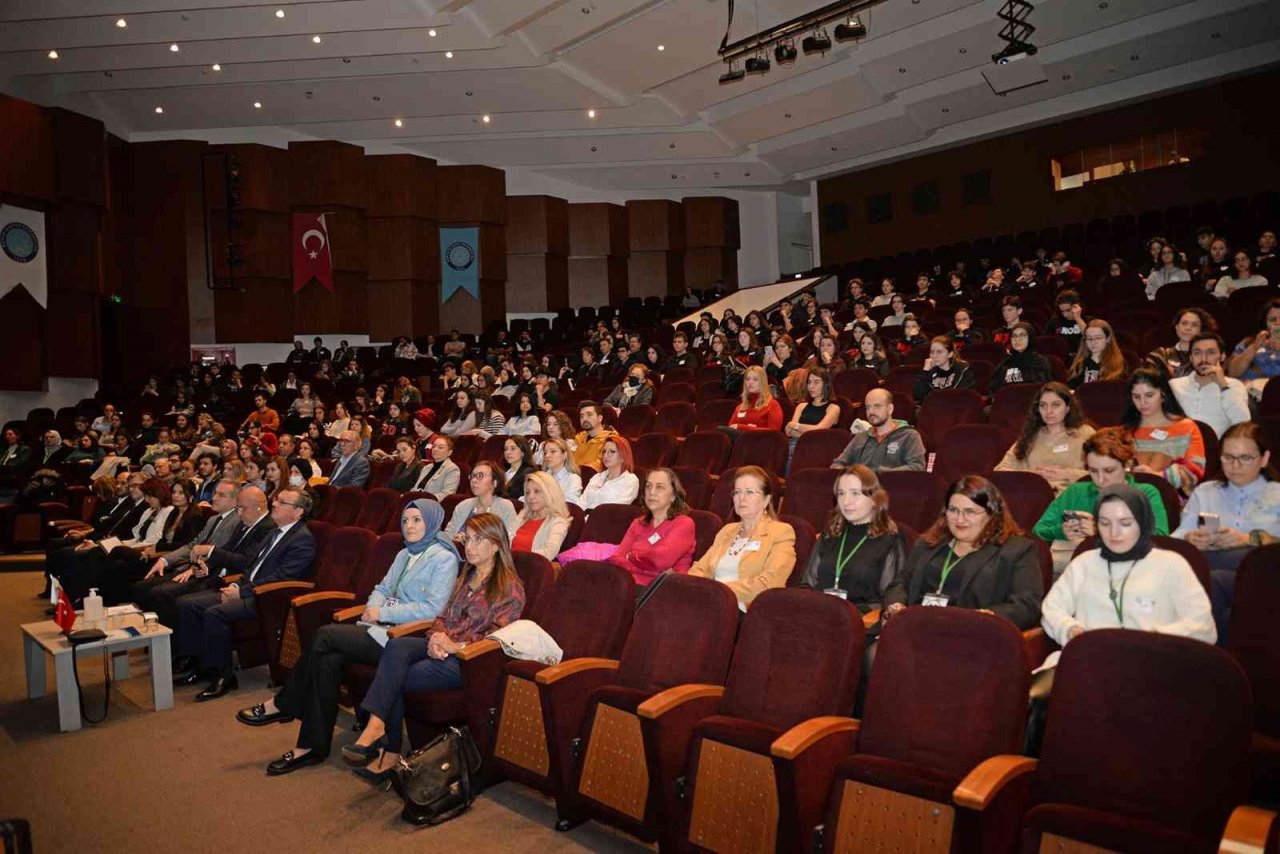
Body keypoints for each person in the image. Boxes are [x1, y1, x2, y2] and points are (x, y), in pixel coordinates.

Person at [239, 499, 460, 775]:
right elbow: (382, 587)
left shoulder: (444, 558)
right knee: (326, 660)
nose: (409, 526)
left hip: (402, 638)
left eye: (417, 520)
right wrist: (373, 608)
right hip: (378, 628)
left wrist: (382, 611)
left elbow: (433, 609)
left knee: (324, 636)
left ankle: (285, 703)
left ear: (432, 522)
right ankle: (311, 746)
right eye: (405, 521)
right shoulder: (404, 554)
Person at [339, 513, 524, 780]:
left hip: (469, 662)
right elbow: (441, 616)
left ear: (496, 545)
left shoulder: (510, 588)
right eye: (467, 539)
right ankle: (378, 728)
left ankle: (387, 749)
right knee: (396, 648)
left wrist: (454, 645)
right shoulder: (466, 575)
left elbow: (499, 640)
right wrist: (437, 638)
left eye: (478, 540)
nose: (469, 547)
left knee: (396, 675)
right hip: (441, 646)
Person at [174, 488, 317, 701]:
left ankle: (223, 676)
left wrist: (241, 591)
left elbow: (282, 579)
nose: (274, 504)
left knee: (215, 613)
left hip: (269, 598)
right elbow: (252, 566)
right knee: (187, 604)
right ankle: (199, 665)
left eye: (281, 502)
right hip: (248, 588)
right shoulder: (274, 532)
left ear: (298, 512)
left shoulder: (302, 539)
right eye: (275, 500)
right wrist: (237, 586)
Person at [1041, 485, 1215, 654]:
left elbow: (1204, 627)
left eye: (1125, 523)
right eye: (1104, 523)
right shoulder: (1083, 563)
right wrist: (1069, 628)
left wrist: (1155, 638)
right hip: (1091, 661)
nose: (1113, 533)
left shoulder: (1171, 564)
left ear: (1143, 522)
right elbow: (1051, 609)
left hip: (1153, 662)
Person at [882, 476, 1043, 629]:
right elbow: (900, 583)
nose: (959, 519)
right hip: (915, 626)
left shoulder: (1017, 550)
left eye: (970, 512)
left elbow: (1026, 604)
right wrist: (895, 606)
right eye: (953, 510)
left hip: (970, 635)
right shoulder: (927, 544)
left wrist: (987, 617)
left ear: (992, 514)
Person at [1172, 422, 1280, 637]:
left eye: (1245, 458)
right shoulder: (1206, 492)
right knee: (1204, 573)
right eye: (1228, 457)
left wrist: (1250, 538)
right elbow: (1175, 539)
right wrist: (1190, 538)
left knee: (1215, 578)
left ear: (1265, 458)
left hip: (1265, 573)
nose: (1235, 465)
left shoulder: (1277, 494)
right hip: (1212, 565)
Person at [1033, 427, 1170, 574]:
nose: (1100, 479)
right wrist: (1061, 531)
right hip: (1073, 570)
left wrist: (1101, 530)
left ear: (1127, 465)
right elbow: (1038, 531)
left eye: (1109, 471)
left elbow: (1159, 537)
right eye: (1093, 471)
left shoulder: (1145, 492)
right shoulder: (1075, 491)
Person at [798, 465, 906, 613]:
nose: (846, 501)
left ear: (874, 498)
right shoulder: (830, 534)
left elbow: (892, 592)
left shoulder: (889, 540)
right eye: (841, 494)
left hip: (859, 622)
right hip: (819, 616)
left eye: (855, 493)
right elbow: (807, 584)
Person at [689, 466, 796, 609]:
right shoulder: (727, 531)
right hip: (711, 603)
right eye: (737, 492)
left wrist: (719, 592)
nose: (741, 498)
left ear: (766, 499)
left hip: (746, 610)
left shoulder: (781, 532)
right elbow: (701, 569)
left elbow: (769, 583)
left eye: (750, 492)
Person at [53, 477, 175, 604]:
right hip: (135, 547)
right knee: (96, 553)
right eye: (146, 496)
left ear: (159, 494)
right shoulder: (149, 511)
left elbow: (155, 540)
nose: (147, 500)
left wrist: (124, 547)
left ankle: (88, 598)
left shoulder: (168, 511)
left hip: (148, 553)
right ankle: (84, 597)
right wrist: (121, 544)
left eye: (150, 497)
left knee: (109, 557)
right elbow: (136, 536)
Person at [98, 479, 206, 604]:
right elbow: (163, 537)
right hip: (159, 553)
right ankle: (104, 599)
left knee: (118, 550)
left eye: (181, 493)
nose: (175, 496)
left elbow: (186, 544)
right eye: (174, 492)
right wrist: (152, 549)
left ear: (191, 496)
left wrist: (157, 549)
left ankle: (105, 598)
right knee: (116, 566)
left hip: (171, 559)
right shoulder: (174, 512)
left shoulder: (194, 516)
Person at [995, 383, 1095, 493]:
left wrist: (1066, 474)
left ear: (1068, 407)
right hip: (1034, 495)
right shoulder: (1031, 435)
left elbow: (1104, 472)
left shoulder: (1085, 433)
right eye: (1043, 405)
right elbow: (1000, 471)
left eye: (1055, 405)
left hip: (1070, 495)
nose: (1049, 411)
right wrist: (1034, 476)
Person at [1123, 367, 1206, 498]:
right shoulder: (1125, 432)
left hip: (1172, 498)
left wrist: (1157, 476)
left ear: (1163, 394)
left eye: (1149, 395)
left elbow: (1195, 470)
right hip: (1129, 496)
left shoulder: (1186, 427)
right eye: (1136, 397)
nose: (1143, 402)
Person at [610, 468, 698, 586]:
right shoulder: (638, 523)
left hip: (661, 590)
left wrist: (630, 557)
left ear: (673, 496)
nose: (651, 492)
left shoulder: (684, 524)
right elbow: (616, 558)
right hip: (627, 585)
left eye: (659, 487)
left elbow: (659, 560)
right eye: (648, 486)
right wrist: (652, 570)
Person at [1169, 333, 1251, 438]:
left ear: (1222, 356)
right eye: (1197, 353)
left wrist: (1223, 386)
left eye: (1210, 352)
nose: (1203, 359)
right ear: (1190, 358)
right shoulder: (1174, 385)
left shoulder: (1234, 385)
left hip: (1215, 449)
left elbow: (1243, 424)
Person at [831, 388, 927, 471]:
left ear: (890, 409)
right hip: (862, 489)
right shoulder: (860, 437)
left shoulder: (909, 435)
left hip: (894, 489)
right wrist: (858, 473)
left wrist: (880, 472)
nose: (871, 412)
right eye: (868, 407)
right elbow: (837, 465)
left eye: (877, 406)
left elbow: (918, 467)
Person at [443, 460, 519, 539]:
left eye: (480, 476)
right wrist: (454, 539)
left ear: (494, 482)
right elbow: (447, 536)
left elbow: (507, 541)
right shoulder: (463, 505)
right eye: (472, 476)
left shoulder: (505, 507)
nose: (474, 480)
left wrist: (468, 540)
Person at [510, 471, 572, 560]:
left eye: (537, 491)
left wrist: (518, 558)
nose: (530, 496)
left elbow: (549, 552)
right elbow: (506, 539)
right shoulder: (523, 515)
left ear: (550, 493)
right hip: (507, 565)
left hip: (529, 567)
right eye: (528, 492)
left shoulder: (558, 522)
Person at [784, 367, 840, 461]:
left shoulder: (833, 408)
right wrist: (807, 430)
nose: (811, 386)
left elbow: (820, 429)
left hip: (818, 447)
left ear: (826, 384)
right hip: (796, 443)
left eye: (816, 382)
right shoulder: (801, 406)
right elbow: (790, 431)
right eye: (809, 382)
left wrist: (797, 426)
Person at [988, 322, 1053, 393]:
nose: (1017, 339)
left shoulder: (1040, 362)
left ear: (1030, 338)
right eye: (1014, 336)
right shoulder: (1005, 363)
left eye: (1022, 335)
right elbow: (994, 390)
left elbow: (1045, 390)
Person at [580, 435, 640, 511]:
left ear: (623, 456)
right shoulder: (597, 477)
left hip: (607, 521)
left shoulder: (630, 480)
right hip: (584, 519)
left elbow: (616, 509)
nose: (605, 455)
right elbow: (582, 502)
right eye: (604, 451)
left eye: (612, 452)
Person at [1226, 298, 1280, 381]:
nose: (1278, 323)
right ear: (1265, 323)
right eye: (1272, 320)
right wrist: (1254, 347)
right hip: (1248, 389)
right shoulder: (1249, 342)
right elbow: (1232, 373)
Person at [913, 336, 975, 402]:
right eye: (932, 352)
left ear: (950, 354)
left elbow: (958, 396)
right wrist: (925, 371)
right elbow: (918, 396)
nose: (934, 356)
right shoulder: (930, 371)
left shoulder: (963, 369)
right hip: (934, 408)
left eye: (939, 352)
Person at [1067, 319, 1126, 388]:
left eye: (1098, 338)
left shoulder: (1119, 363)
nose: (1093, 342)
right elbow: (1072, 386)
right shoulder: (1080, 363)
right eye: (1089, 338)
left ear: (1108, 339)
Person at [727, 366, 784, 432]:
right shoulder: (740, 407)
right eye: (747, 379)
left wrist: (742, 427)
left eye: (755, 379)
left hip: (762, 440)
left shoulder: (772, 405)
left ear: (762, 382)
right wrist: (752, 427)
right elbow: (730, 428)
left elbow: (774, 432)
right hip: (740, 440)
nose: (750, 382)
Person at [409, 434, 460, 500]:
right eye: (434, 446)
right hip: (417, 501)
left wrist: (425, 499)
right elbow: (415, 488)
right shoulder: (426, 468)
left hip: (432, 504)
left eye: (440, 447)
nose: (435, 449)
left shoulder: (452, 469)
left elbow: (447, 494)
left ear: (449, 452)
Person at [572, 401, 619, 470]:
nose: (584, 419)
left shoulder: (611, 439)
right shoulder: (579, 437)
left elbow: (599, 466)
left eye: (589, 415)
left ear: (600, 418)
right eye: (581, 416)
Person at [539, 437, 583, 506]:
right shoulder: (541, 477)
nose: (547, 455)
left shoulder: (573, 479)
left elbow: (570, 505)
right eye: (545, 452)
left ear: (564, 455)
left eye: (553, 451)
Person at [500, 436, 536, 500]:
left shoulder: (529, 473)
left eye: (513, 448)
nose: (508, 452)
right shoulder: (502, 472)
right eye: (506, 449)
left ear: (523, 452)